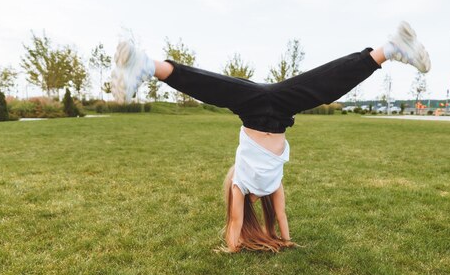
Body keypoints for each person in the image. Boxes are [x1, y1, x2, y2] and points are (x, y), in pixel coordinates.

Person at [110, 21, 430, 253]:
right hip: (279, 112)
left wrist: (233, 245)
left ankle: (147, 64)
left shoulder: (241, 185)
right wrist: (285, 240)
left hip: (252, 111)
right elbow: (280, 217)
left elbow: (234, 228)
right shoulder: (271, 187)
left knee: (214, 87)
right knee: (325, 84)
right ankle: (389, 49)